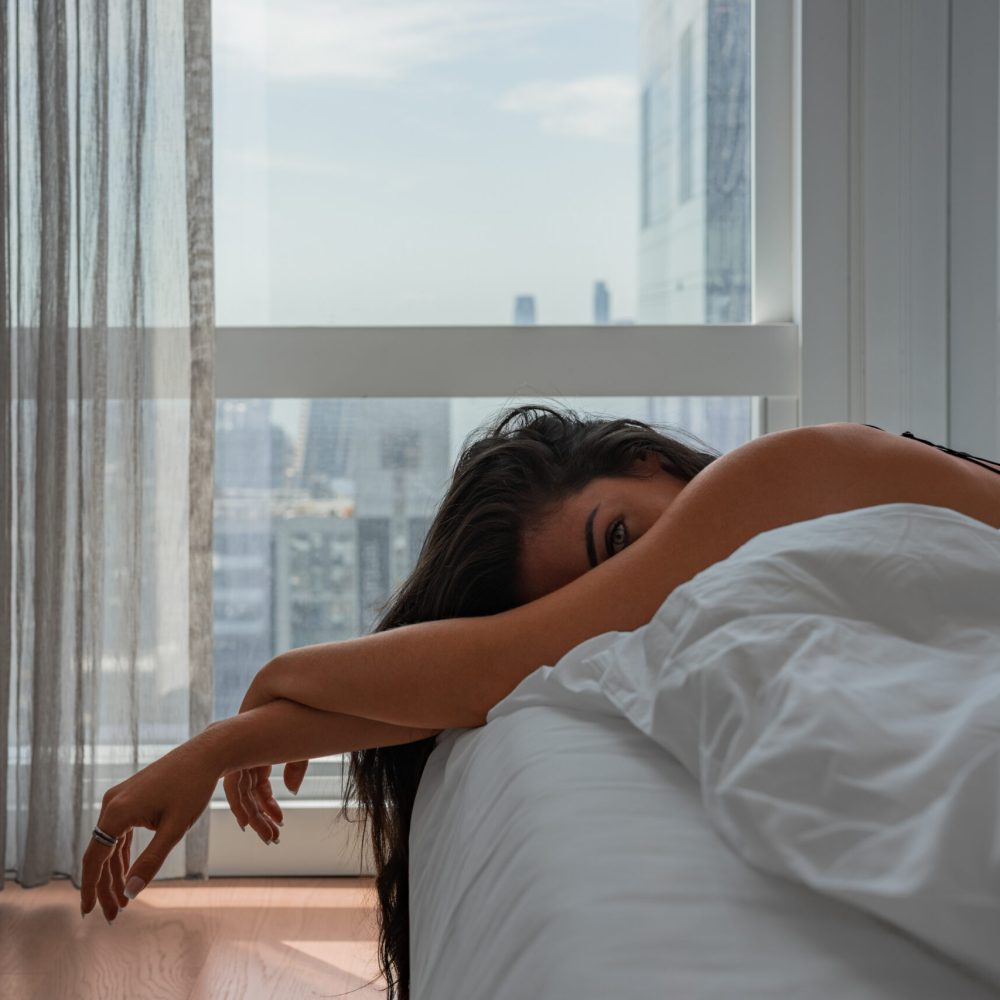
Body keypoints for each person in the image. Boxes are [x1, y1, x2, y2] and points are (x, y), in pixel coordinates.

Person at [80, 405, 1000, 1000]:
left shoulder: (783, 470)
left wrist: (258, 705)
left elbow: (503, 659)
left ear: (649, 461)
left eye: (620, 539)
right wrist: (229, 743)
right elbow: (527, 663)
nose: (633, 585)